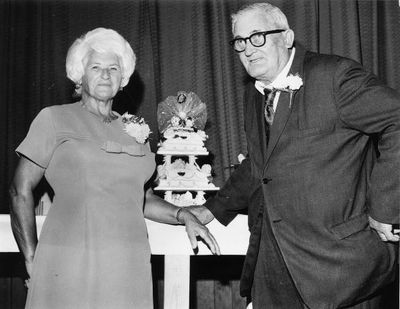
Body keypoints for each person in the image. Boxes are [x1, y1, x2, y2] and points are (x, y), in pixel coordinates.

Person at [189, 3, 399, 309]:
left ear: (287, 37)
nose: (248, 49)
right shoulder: (254, 93)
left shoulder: (334, 76)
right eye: (240, 41)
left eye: (257, 36)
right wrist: (210, 210)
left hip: (342, 271)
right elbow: (259, 165)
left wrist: (386, 209)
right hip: (274, 269)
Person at [8, 27, 220, 309]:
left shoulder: (136, 129)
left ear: (123, 79)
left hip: (128, 263)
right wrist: (31, 258)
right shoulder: (54, 119)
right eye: (96, 67)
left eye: (113, 68)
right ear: (80, 75)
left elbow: (140, 199)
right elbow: (19, 190)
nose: (105, 74)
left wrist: (183, 215)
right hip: (69, 261)